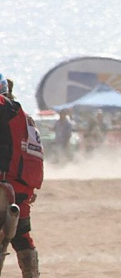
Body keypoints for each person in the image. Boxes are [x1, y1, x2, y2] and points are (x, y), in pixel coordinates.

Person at [0, 75, 43, 277]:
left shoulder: (6, 109)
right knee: (22, 236)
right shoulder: (26, 118)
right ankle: (31, 274)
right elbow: (35, 156)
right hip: (22, 189)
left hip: (6, 183)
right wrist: (30, 189)